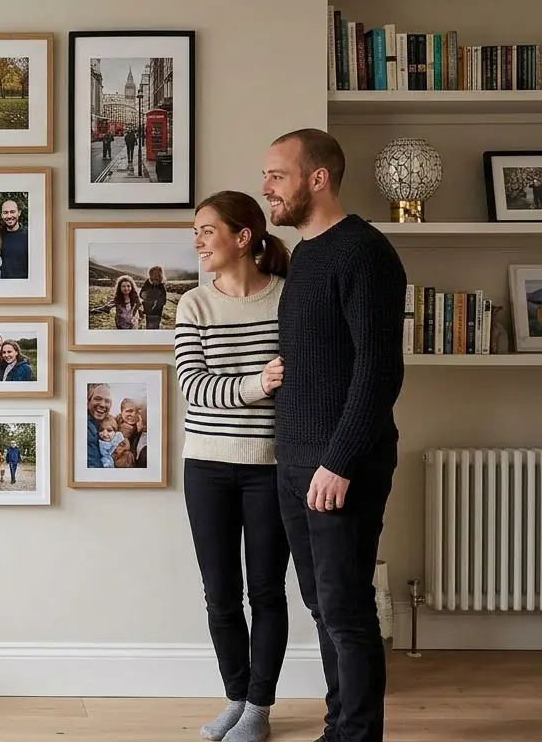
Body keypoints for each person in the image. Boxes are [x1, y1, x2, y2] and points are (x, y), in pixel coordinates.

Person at [264, 128, 406, 742]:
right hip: (296, 461)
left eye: (276, 174)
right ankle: (338, 727)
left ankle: (356, 735)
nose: (265, 186)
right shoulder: (306, 257)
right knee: (323, 607)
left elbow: (379, 371)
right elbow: (317, 363)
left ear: (316, 178)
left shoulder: (364, 252)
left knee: (346, 609)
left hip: (340, 464)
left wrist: (338, 461)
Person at [174, 190, 293, 742]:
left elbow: (304, 380)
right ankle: (237, 698)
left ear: (242, 237)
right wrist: (257, 385)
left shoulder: (287, 301)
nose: (197, 241)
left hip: (271, 468)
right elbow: (191, 387)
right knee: (219, 593)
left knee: (266, 592)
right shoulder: (193, 305)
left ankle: (259, 709)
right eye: (195, 232)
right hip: (206, 468)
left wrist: (274, 387)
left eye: (206, 230)